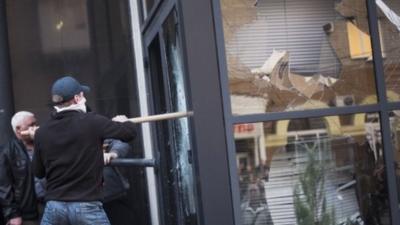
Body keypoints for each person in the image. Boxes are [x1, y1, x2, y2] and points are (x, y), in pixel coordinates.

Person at [32, 76, 137, 225]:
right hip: (87, 207)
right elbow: (129, 133)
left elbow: (38, 172)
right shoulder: (92, 121)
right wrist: (125, 121)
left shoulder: (42, 132)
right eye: (83, 95)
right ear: (77, 98)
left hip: (54, 207)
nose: (85, 99)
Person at [0, 111, 43, 225]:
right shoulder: (8, 151)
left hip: (51, 206)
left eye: (36, 124)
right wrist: (12, 214)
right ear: (18, 129)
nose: (36, 128)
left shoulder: (43, 144)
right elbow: (4, 186)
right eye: (31, 125)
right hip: (27, 212)